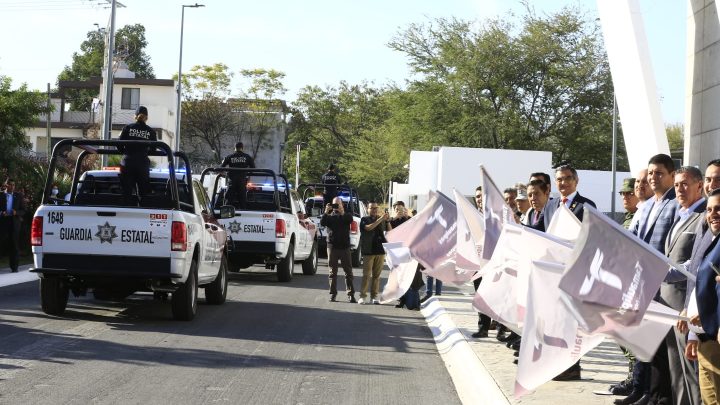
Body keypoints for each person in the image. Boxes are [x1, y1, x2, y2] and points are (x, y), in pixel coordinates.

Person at [620, 154, 678, 405]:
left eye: (659, 173)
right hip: (642, 284)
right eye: (651, 173)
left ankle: (658, 395)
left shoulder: (676, 205)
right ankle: (644, 391)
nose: (653, 178)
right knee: (645, 343)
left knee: (661, 349)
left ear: (671, 176)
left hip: (663, 286)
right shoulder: (644, 206)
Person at [660, 166, 706, 405]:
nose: (680, 188)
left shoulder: (704, 216)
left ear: (700, 186)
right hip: (669, 305)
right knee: (676, 372)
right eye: (677, 184)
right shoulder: (681, 214)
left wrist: (659, 273)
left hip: (686, 307)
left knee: (693, 374)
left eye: (685, 183)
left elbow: (695, 263)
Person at [688, 188, 720, 404]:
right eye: (709, 209)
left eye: (718, 209)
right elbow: (700, 280)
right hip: (705, 337)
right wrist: (693, 333)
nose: (713, 214)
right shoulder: (713, 240)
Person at [118, 105, 157, 204]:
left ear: (135, 116)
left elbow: (119, 145)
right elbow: (154, 149)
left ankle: (126, 211)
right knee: (143, 193)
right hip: (142, 164)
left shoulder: (127, 128)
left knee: (126, 192)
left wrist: (126, 152)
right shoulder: (150, 131)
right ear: (146, 117)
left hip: (127, 162)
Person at [321, 196, 356, 303]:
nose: (336, 206)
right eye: (334, 204)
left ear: (342, 205)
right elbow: (322, 222)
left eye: (338, 204)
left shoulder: (346, 215)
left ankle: (351, 294)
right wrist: (326, 212)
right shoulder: (329, 217)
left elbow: (349, 219)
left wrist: (341, 211)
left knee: (348, 272)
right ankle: (333, 294)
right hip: (332, 247)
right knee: (332, 272)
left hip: (345, 247)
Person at [358, 202, 391, 305]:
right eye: (372, 208)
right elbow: (368, 228)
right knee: (366, 275)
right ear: (367, 209)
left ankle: (373, 297)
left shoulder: (381, 219)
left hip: (380, 251)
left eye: (376, 208)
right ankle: (362, 296)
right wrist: (380, 219)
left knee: (377, 276)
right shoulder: (364, 219)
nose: (374, 210)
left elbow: (390, 231)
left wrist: (388, 221)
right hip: (368, 251)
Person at [471, 186, 493, 338]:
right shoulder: (472, 216)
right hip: (477, 264)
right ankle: (483, 327)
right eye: (478, 196)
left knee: (494, 295)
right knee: (480, 295)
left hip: (493, 263)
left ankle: (500, 325)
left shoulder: (494, 217)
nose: (480, 199)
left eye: (482, 196)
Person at [0, 179, 25, 273]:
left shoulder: (18, 196)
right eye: (10, 185)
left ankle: (14, 267)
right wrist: (2, 213)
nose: (12, 186)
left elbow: (23, 210)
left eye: (14, 185)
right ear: (6, 186)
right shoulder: (1, 195)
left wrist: (16, 212)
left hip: (14, 223)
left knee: (14, 245)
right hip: (3, 222)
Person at [221, 141, 255, 209]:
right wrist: (247, 175)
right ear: (242, 148)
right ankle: (243, 212)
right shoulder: (247, 157)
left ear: (235, 148)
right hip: (242, 182)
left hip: (232, 182)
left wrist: (225, 174)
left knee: (229, 200)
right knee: (242, 200)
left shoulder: (229, 157)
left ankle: (226, 213)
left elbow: (221, 167)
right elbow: (253, 168)